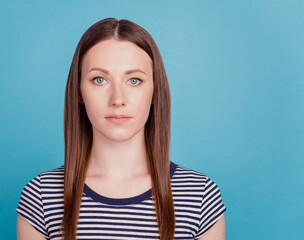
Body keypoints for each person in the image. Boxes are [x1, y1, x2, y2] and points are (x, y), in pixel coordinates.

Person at [16, 18, 226, 240]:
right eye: (99, 79)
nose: (118, 99)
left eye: (134, 80)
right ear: (79, 92)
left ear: (155, 91)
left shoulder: (200, 196)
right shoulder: (42, 195)